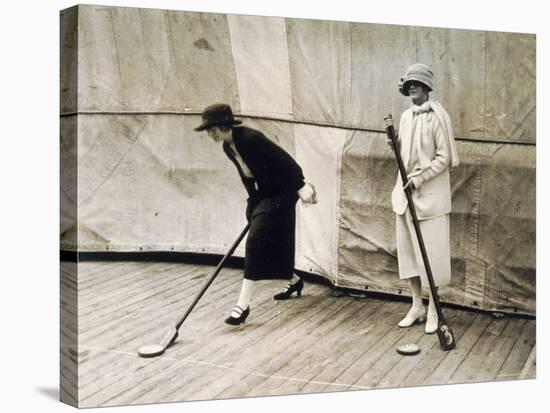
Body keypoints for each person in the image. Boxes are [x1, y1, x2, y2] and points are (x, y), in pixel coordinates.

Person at [195, 103, 317, 325]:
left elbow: (284, 159)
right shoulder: (227, 147)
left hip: (286, 190)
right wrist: (252, 204)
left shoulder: (250, 138)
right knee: (271, 238)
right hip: (266, 194)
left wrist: (300, 185)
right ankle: (295, 280)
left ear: (224, 125)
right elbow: (247, 176)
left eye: (212, 129)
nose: (210, 134)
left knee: (254, 242)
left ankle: (242, 306)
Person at [383, 63, 459, 334]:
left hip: (429, 198)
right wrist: (395, 144)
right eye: (409, 84)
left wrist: (420, 178)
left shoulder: (438, 117)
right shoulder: (405, 117)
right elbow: (406, 151)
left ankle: (434, 310)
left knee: (431, 256)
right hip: (405, 196)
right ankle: (416, 305)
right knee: (408, 254)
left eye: (417, 83)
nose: (412, 87)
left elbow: (444, 157)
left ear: (426, 87)